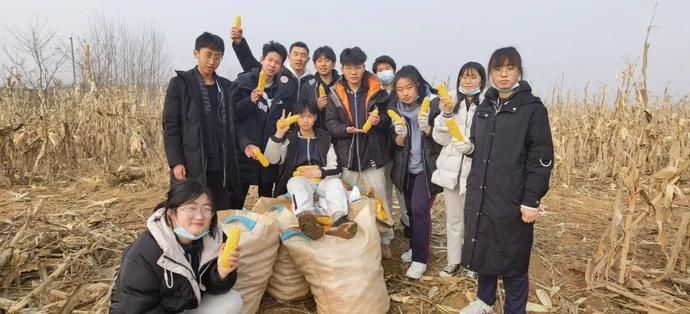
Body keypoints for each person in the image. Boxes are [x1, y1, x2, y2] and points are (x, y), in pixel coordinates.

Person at [459, 47, 554, 314]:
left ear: (519, 72)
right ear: (490, 74)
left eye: (509, 69)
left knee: (513, 256)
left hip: (512, 195)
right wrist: (470, 148)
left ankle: (514, 309)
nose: (503, 75)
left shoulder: (532, 109)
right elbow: (481, 145)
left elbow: (541, 158)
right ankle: (485, 300)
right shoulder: (485, 107)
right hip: (482, 191)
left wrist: (531, 199)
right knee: (483, 246)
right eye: (498, 69)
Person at [110, 180, 242, 313]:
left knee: (232, 300)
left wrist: (221, 274)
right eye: (191, 208)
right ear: (171, 214)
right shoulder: (143, 255)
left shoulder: (215, 240)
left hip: (182, 308)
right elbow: (141, 309)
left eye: (207, 209)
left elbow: (210, 288)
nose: (200, 216)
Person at [324, 47, 394, 257]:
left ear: (364, 67)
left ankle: (385, 238)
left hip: (373, 153)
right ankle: (353, 237)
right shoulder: (335, 93)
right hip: (348, 154)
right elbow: (330, 122)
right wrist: (344, 130)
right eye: (348, 67)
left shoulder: (378, 91)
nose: (353, 72)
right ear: (342, 69)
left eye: (358, 67)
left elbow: (390, 118)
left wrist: (379, 120)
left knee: (380, 198)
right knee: (347, 198)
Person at [162, 32, 242, 210]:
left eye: (217, 57)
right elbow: (170, 126)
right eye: (208, 55)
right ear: (196, 53)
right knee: (190, 208)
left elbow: (233, 124)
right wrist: (176, 161)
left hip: (221, 164)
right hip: (192, 162)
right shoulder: (180, 84)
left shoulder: (226, 87)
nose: (212, 61)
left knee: (219, 212)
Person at [264, 104, 357, 240]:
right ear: (296, 119)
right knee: (295, 183)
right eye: (301, 116)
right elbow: (272, 159)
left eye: (309, 116)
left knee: (336, 183)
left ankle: (339, 219)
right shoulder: (290, 139)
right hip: (300, 178)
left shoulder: (325, 138)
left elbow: (335, 167)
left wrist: (319, 172)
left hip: (323, 179)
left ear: (315, 118)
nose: (305, 120)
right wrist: (279, 133)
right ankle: (306, 219)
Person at [431, 62, 486, 278]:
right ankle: (454, 261)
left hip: (475, 173)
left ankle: (473, 264)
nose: (468, 80)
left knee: (474, 222)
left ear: (482, 80)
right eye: (464, 76)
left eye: (473, 77)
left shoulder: (487, 105)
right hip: (451, 172)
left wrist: (473, 149)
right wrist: (445, 115)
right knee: (454, 220)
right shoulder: (451, 104)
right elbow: (441, 139)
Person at [387, 65, 442, 279]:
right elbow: (395, 142)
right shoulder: (394, 107)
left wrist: (428, 128)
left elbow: (443, 138)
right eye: (400, 89)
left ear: (418, 85)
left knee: (420, 210)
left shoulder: (434, 105)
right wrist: (400, 134)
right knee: (410, 210)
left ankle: (420, 258)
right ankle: (415, 246)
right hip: (405, 167)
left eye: (409, 87)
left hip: (427, 167)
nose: (405, 93)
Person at [233, 41, 290, 205]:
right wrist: (249, 101)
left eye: (277, 62)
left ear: (281, 66)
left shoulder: (283, 90)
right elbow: (233, 116)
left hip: (268, 153)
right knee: (236, 200)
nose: (272, 65)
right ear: (261, 59)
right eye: (269, 60)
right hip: (245, 151)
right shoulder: (243, 83)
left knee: (266, 203)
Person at [372, 55, 411, 239]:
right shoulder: (375, 94)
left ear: (394, 70)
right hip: (382, 151)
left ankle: (408, 224)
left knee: (403, 192)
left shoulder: (401, 92)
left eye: (387, 68)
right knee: (384, 192)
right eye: (379, 70)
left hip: (402, 151)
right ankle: (387, 229)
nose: (384, 72)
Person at [230, 26, 313, 109]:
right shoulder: (278, 73)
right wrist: (239, 43)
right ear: (289, 56)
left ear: (308, 59)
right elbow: (248, 61)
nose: (299, 58)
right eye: (295, 54)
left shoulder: (312, 80)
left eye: (303, 55)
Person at [299, 45, 340, 130]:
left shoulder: (342, 83)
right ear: (314, 65)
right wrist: (316, 106)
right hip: (317, 132)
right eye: (319, 61)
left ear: (334, 64)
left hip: (340, 132)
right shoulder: (309, 86)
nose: (323, 64)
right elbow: (301, 110)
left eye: (327, 60)